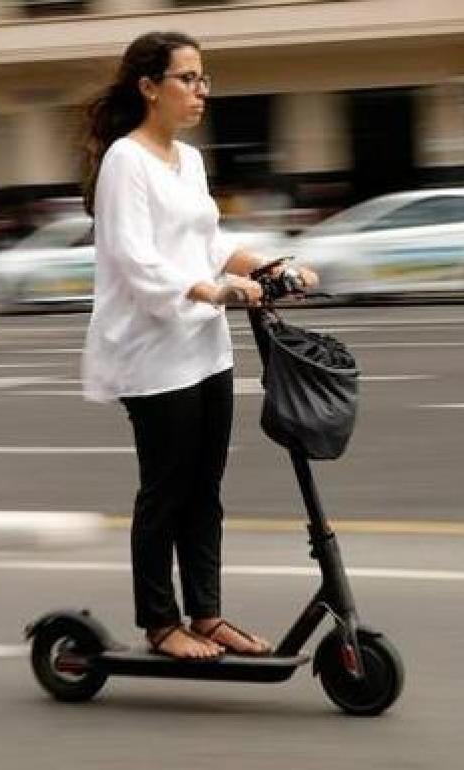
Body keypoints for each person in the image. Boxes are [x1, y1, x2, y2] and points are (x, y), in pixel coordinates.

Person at [79, 31, 317, 660]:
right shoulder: (125, 162)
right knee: (167, 489)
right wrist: (211, 292)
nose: (201, 91)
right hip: (152, 353)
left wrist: (270, 267)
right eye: (187, 78)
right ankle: (161, 624)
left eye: (204, 78)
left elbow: (209, 244)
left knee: (205, 488)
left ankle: (206, 614)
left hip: (205, 350)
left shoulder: (189, 161)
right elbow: (135, 260)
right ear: (149, 87)